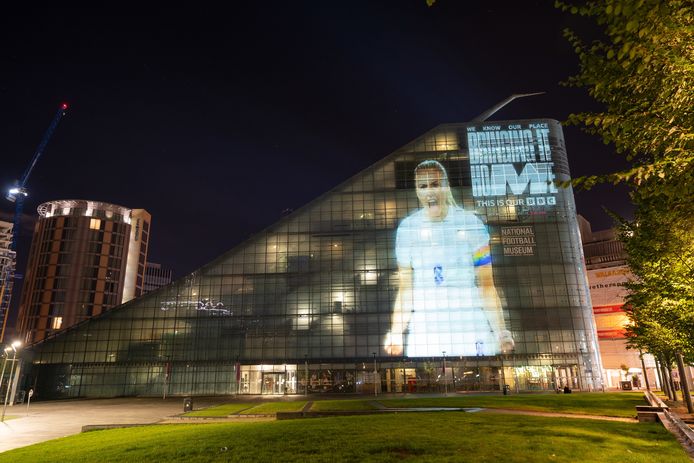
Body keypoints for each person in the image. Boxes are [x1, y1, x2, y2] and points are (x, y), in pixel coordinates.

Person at [384, 160, 514, 357]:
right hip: (425, 330)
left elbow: (486, 284)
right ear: (417, 191)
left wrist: (501, 332)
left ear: (446, 186)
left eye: (435, 184)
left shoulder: (472, 225)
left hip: (470, 326)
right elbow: (405, 288)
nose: (430, 192)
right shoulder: (407, 230)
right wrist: (396, 332)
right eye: (423, 186)